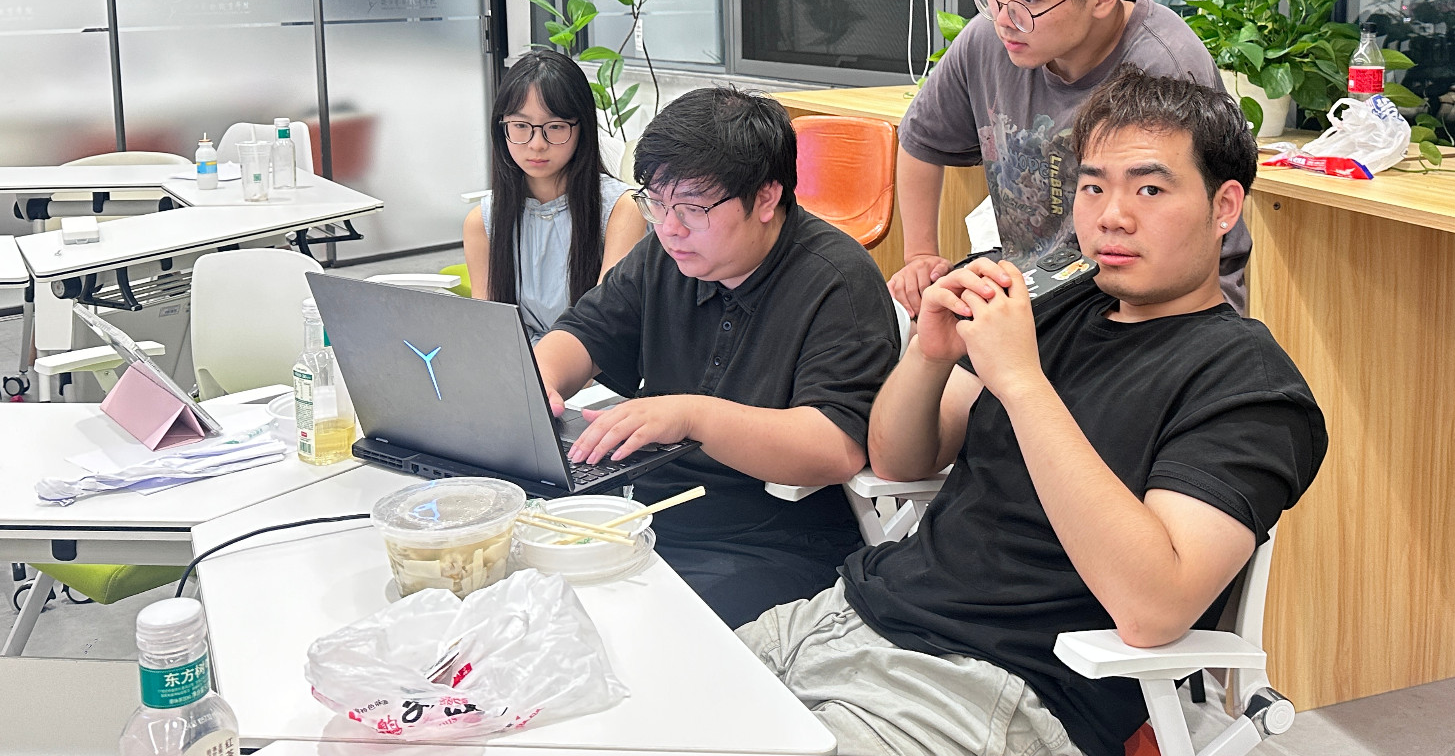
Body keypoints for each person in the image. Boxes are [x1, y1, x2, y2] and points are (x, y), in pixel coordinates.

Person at [740, 67, 1327, 756]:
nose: (1111, 216)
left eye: (1149, 189)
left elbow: (1154, 608)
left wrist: (1021, 382)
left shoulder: (1249, 385)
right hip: (843, 615)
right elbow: (898, 462)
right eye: (1093, 187)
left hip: (987, 690)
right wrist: (929, 355)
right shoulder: (1055, 302)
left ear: (1224, 206)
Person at [531, 86, 900, 627]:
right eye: (656, 203)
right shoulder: (666, 253)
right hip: (642, 514)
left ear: (766, 198)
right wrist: (537, 381)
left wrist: (691, 415)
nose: (670, 226)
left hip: (769, 540)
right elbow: (584, 333)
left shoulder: (836, 281)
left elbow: (835, 446)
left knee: (622, 627)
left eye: (693, 208)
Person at [888, 0, 1250, 317]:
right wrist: (920, 255)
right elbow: (921, 139)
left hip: (1151, 303)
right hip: (1037, 288)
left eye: (1029, 0)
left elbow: (1188, 240)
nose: (1004, 18)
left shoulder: (1166, 66)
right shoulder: (989, 38)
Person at [463, 49, 645, 341]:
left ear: (582, 128)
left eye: (556, 127)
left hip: (594, 364)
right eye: (520, 126)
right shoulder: (482, 222)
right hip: (518, 365)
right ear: (502, 128)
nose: (537, 144)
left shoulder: (622, 210)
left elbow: (606, 327)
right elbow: (488, 332)